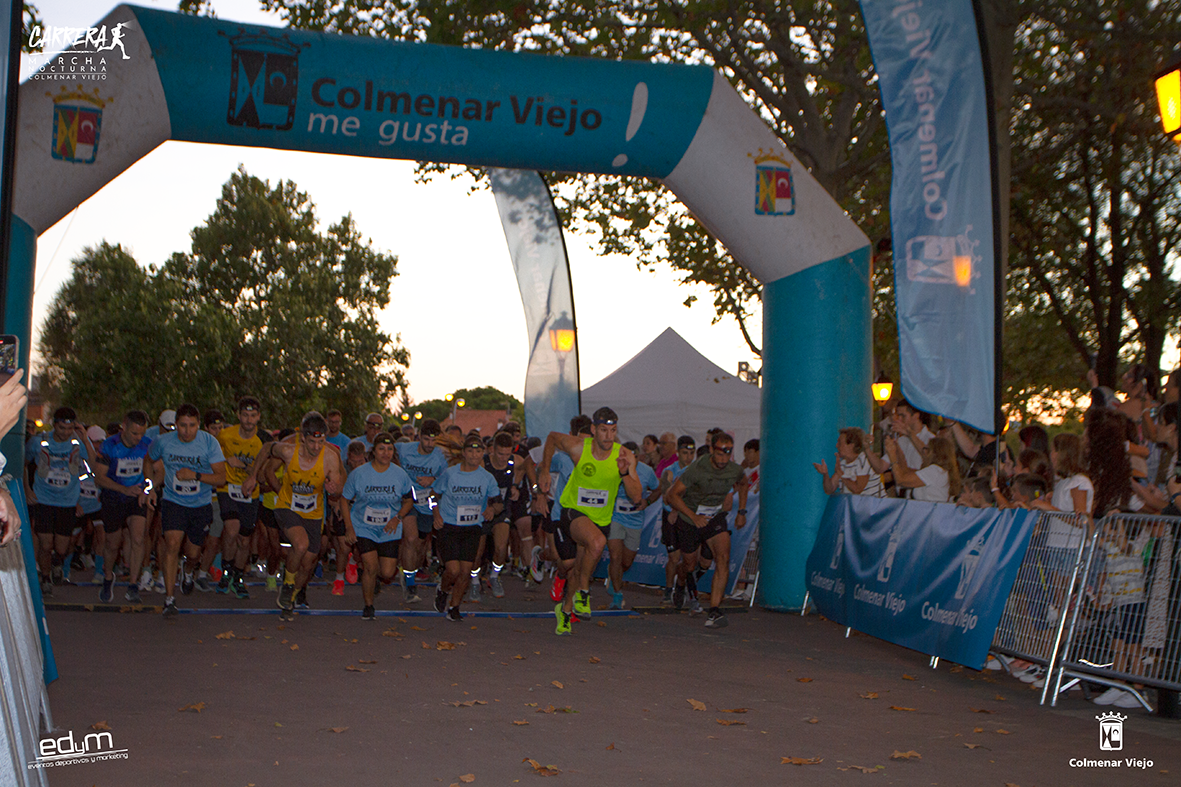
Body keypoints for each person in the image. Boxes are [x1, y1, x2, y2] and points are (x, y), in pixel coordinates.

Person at [538, 406, 641, 636]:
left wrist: (624, 474)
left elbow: (636, 497)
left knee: (579, 569)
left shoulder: (624, 455)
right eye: (603, 430)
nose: (608, 436)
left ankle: (564, 610)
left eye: (612, 431)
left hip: (600, 519)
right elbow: (553, 437)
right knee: (597, 542)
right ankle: (584, 593)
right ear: (594, 429)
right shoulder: (578, 448)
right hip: (572, 512)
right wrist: (545, 470)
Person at [242, 411, 344, 621]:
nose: (316, 447)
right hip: (287, 506)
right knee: (300, 544)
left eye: (321, 442)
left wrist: (334, 488)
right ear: (303, 438)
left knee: (307, 563)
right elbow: (266, 448)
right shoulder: (289, 450)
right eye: (312, 442)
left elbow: (339, 487)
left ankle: (290, 599)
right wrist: (253, 475)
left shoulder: (330, 457)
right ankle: (288, 584)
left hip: (313, 513)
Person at [144, 403, 227, 618]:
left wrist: (196, 475)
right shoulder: (163, 442)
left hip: (200, 504)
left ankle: (188, 571)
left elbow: (221, 478)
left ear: (199, 425)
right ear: (176, 425)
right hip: (173, 501)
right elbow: (148, 460)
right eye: (182, 425)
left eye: (192, 426)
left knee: (192, 552)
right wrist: (150, 487)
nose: (187, 431)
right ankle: (169, 599)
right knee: (171, 543)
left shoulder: (209, 443)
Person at [666, 432, 750, 628]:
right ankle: (680, 583)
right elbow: (672, 495)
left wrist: (742, 511)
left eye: (727, 454)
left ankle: (714, 611)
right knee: (689, 565)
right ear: (712, 450)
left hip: (714, 518)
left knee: (723, 557)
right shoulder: (697, 469)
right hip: (690, 519)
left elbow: (744, 483)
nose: (723, 459)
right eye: (720, 454)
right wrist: (693, 516)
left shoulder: (734, 470)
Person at [340, 432, 415, 619]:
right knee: (370, 566)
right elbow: (344, 499)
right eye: (382, 449)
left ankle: (373, 581)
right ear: (373, 451)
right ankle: (368, 606)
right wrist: (349, 527)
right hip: (363, 526)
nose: (386, 453)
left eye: (390, 449)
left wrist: (397, 518)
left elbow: (409, 500)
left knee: (387, 572)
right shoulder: (359, 474)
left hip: (389, 528)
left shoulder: (400, 474)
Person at [431, 432, 503, 621]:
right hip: (449, 526)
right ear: (464, 453)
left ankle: (454, 607)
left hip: (472, 527)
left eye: (478, 451)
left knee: (465, 571)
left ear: (483, 454)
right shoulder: (450, 473)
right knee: (453, 570)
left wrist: (491, 510)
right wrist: (436, 514)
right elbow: (432, 496)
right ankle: (443, 590)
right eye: (470, 451)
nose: (474, 455)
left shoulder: (487, 478)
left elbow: (498, 503)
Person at [25, 406, 87, 595]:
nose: (66, 433)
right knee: (46, 544)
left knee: (62, 546)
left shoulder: (77, 443)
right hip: (43, 499)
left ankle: (57, 562)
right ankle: (45, 578)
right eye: (62, 429)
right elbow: (24, 463)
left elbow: (92, 463)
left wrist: (86, 440)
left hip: (67, 502)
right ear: (54, 425)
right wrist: (27, 489)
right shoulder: (39, 442)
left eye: (69, 429)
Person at [94, 410, 153, 602]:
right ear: (124, 427)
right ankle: (108, 575)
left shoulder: (147, 446)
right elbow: (99, 477)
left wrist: (148, 489)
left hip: (136, 497)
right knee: (112, 542)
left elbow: (156, 472)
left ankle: (133, 584)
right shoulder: (109, 446)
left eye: (141, 434)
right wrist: (122, 489)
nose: (138, 438)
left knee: (138, 538)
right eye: (134, 433)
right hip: (113, 497)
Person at [213, 396, 264, 599]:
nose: (249, 420)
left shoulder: (262, 441)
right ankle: (226, 570)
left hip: (250, 493)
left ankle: (238, 576)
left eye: (253, 416)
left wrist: (243, 466)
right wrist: (225, 460)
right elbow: (212, 457)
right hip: (227, 488)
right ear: (238, 415)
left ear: (259, 417)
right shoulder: (225, 435)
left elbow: (262, 472)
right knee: (231, 529)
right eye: (245, 415)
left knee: (244, 540)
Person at [394, 418, 448, 600]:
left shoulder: (440, 457)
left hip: (428, 503)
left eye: (434, 440)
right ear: (419, 437)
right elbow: (386, 452)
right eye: (426, 440)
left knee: (419, 546)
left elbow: (446, 480)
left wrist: (432, 481)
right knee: (410, 538)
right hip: (408, 499)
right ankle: (410, 586)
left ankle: (407, 571)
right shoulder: (404, 449)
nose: (430, 444)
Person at [605, 441, 661, 609]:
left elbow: (658, 489)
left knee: (626, 562)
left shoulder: (646, 471)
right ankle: (617, 595)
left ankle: (614, 576)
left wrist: (648, 501)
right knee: (615, 556)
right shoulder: (614, 468)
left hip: (635, 519)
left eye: (634, 457)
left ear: (638, 457)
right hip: (615, 517)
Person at [657, 435, 696, 605]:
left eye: (692, 453)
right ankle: (668, 588)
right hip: (671, 516)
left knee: (690, 557)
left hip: (686, 516)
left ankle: (684, 586)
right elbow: (666, 497)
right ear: (678, 453)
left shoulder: (695, 471)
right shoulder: (669, 471)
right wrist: (674, 509)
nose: (689, 456)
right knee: (674, 557)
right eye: (685, 453)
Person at [885, 434, 960, 503]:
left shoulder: (935, 471)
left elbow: (901, 480)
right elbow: (905, 471)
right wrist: (897, 448)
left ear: (934, 453)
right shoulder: (940, 471)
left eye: (927, 449)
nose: (924, 452)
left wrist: (892, 456)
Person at [814, 428, 883, 497]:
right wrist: (825, 474)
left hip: (876, 505)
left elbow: (857, 489)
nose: (837, 446)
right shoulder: (843, 464)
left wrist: (841, 475)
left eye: (840, 443)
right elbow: (829, 489)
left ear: (851, 445)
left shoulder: (864, 460)